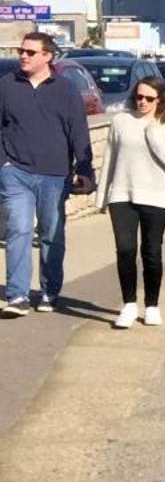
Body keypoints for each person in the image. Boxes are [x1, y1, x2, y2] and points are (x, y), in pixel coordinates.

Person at [1, 31, 96, 316]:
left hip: (55, 174)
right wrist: (3, 163)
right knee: (18, 229)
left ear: (47, 56)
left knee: (51, 234)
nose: (23, 56)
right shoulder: (6, 85)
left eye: (30, 52)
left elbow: (78, 130)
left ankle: (49, 290)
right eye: (22, 51)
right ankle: (17, 295)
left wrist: (84, 168)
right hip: (15, 172)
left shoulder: (65, 89)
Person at [98, 75, 165, 327]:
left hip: (157, 196)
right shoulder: (121, 121)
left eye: (148, 98)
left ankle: (152, 305)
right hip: (122, 194)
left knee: (151, 252)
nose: (142, 102)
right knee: (125, 250)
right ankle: (129, 304)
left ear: (159, 99)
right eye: (138, 96)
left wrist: (153, 135)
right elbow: (109, 158)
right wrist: (102, 196)